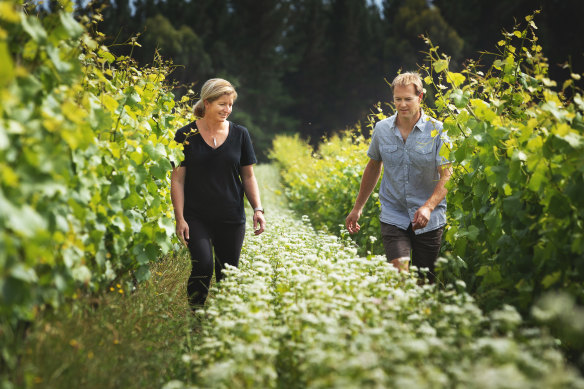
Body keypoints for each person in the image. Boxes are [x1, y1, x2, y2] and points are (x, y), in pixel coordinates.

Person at [345, 72, 452, 282]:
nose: (402, 104)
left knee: (424, 282)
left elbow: (447, 175)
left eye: (408, 99)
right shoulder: (382, 129)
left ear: (420, 98)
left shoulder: (438, 131)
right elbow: (374, 166)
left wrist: (428, 207)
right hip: (394, 214)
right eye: (397, 99)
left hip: (429, 219)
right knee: (399, 276)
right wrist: (358, 208)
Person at [170, 78, 266, 309]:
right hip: (196, 217)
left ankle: (224, 321)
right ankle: (196, 319)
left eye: (230, 104)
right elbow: (177, 180)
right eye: (222, 104)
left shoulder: (240, 134)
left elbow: (249, 177)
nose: (227, 109)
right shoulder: (184, 135)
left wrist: (258, 209)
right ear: (207, 103)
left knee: (228, 274)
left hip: (231, 217)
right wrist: (180, 218)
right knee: (202, 266)